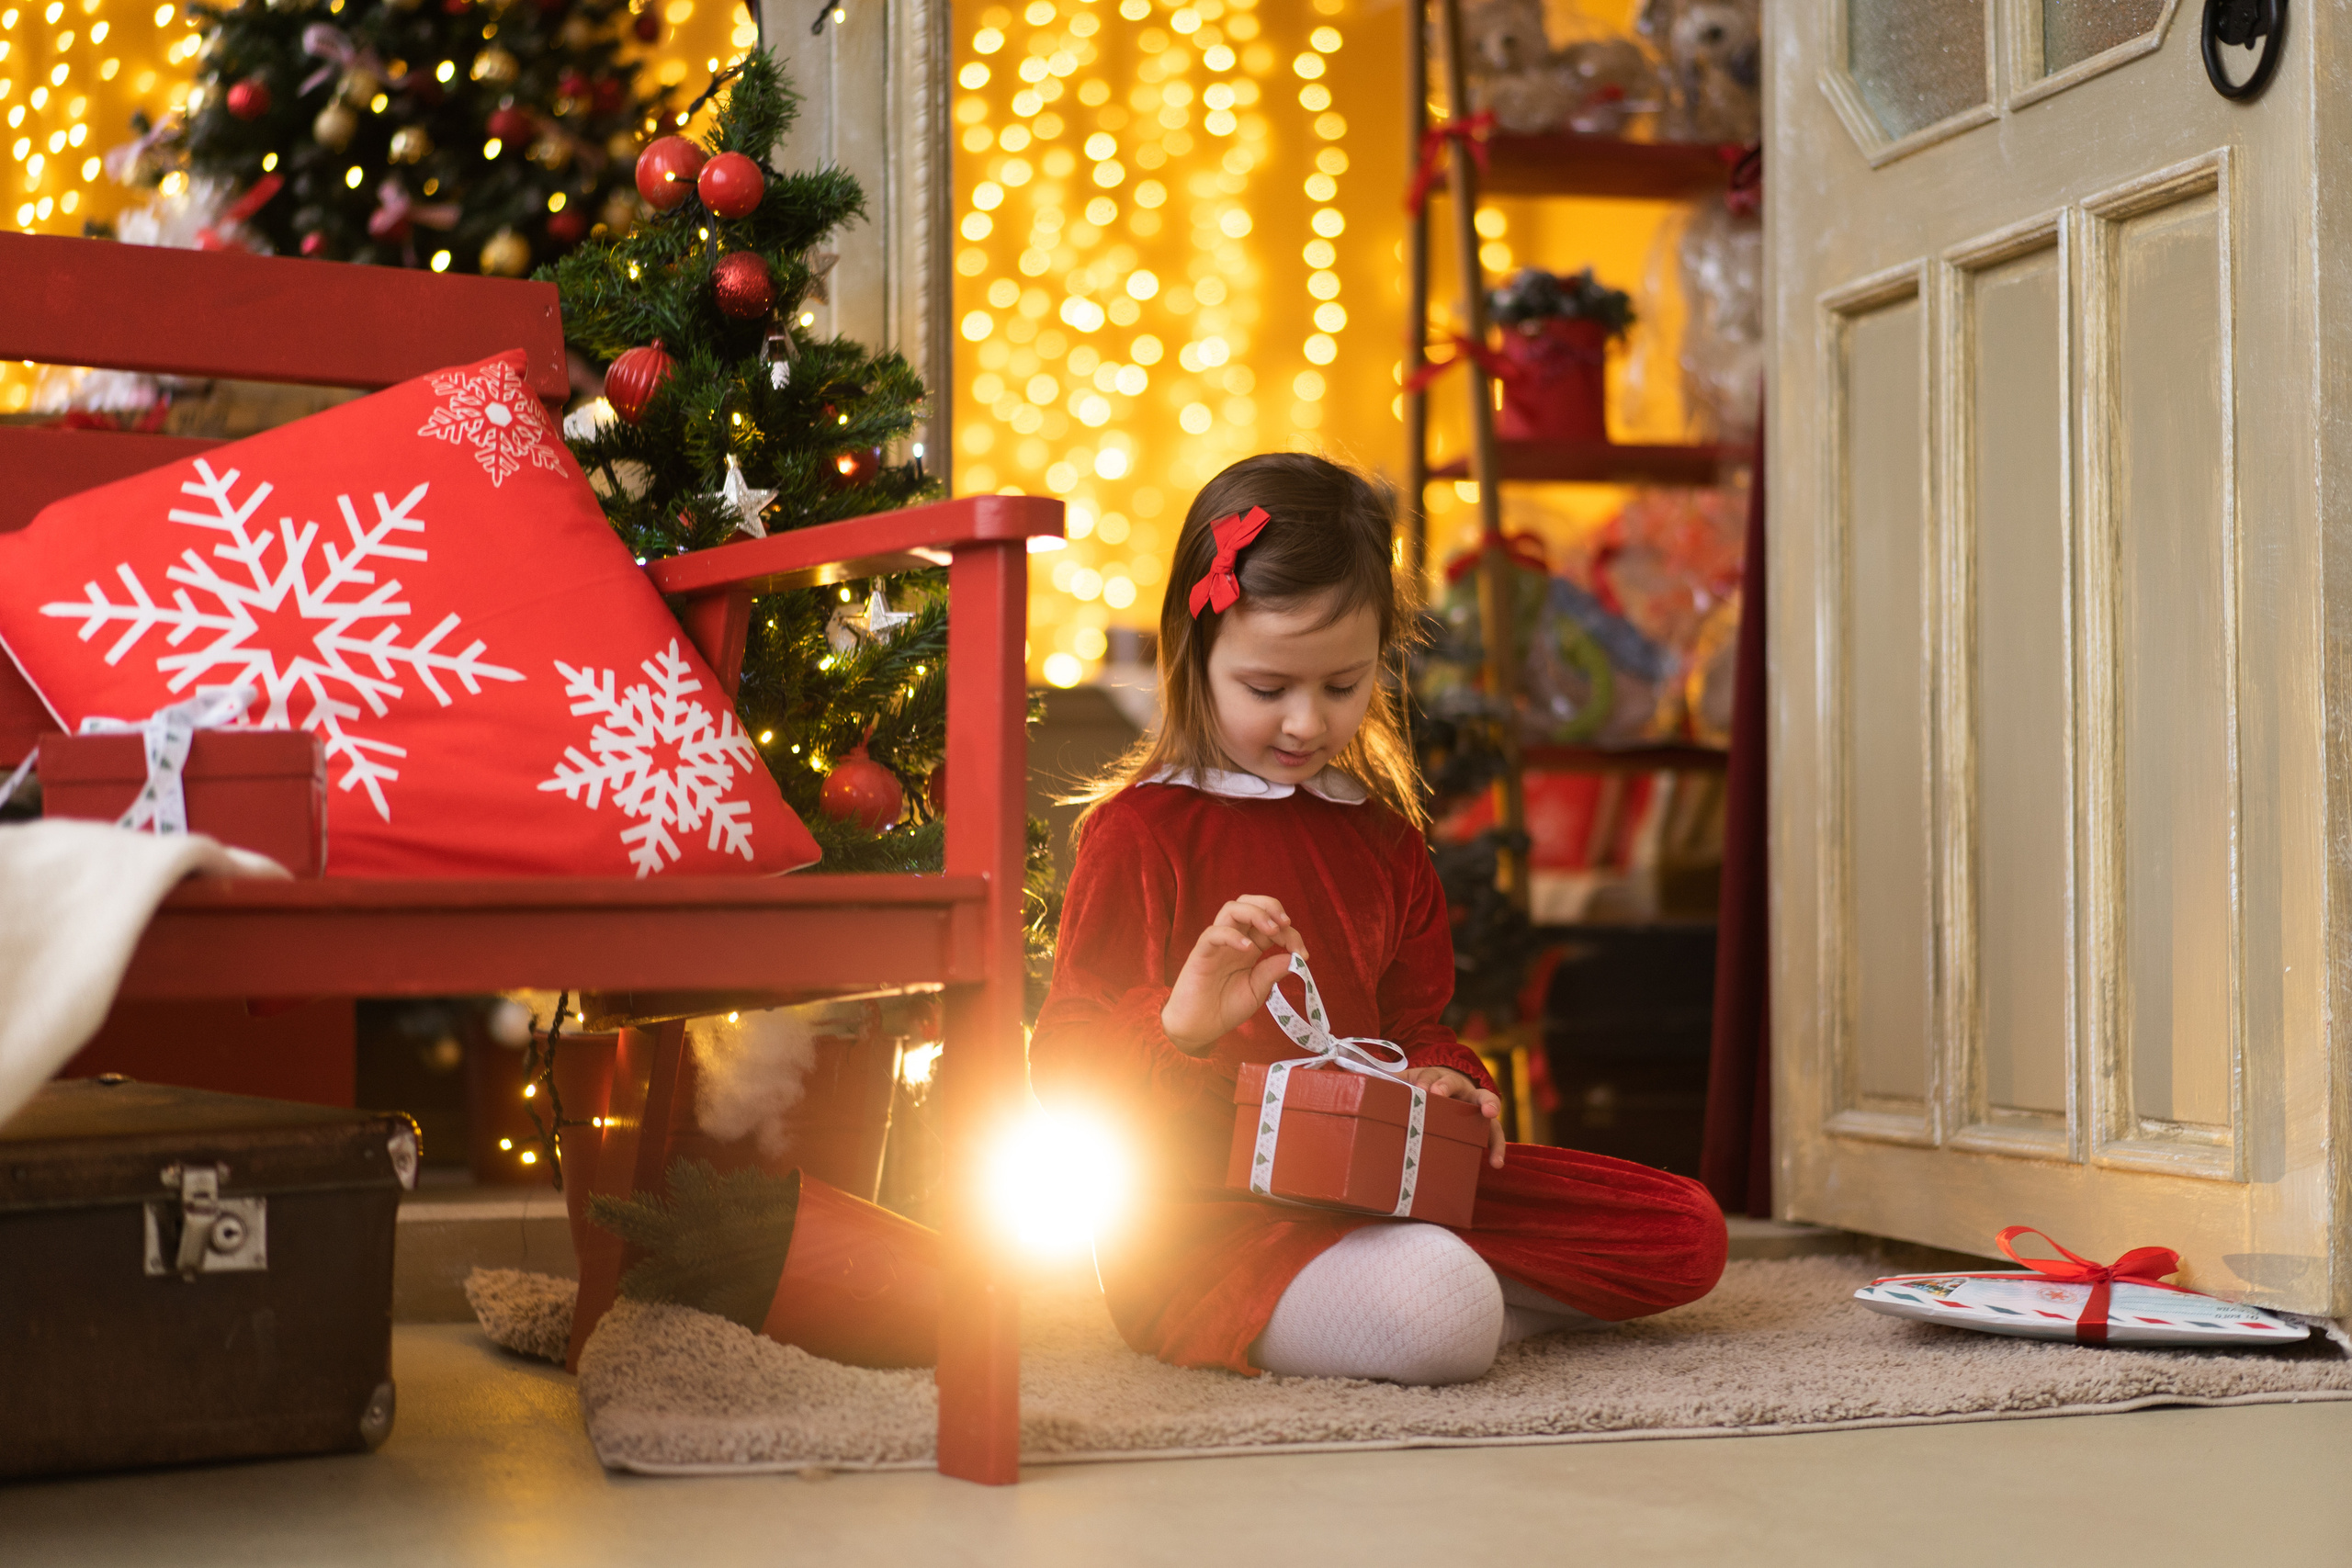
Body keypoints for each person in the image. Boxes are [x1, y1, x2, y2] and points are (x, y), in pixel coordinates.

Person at [1031, 451, 1727, 1385]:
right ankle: (1434, 1299)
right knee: (1442, 1311)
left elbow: (1412, 1024)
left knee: (1683, 1233)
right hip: (1210, 1227)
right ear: (1194, 654)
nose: (1306, 724)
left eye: (1342, 686)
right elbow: (1065, 1057)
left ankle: (1420, 1289)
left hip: (1384, 1188)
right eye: (1268, 689)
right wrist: (1183, 1024)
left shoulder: (1382, 841)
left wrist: (1446, 1080)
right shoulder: (1143, 832)